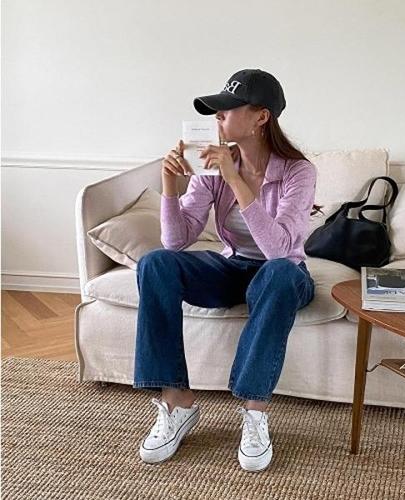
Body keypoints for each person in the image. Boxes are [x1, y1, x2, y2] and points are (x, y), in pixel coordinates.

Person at [133, 68, 318, 472]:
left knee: (280, 274)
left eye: (228, 109)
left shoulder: (298, 172)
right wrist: (170, 185)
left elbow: (278, 250)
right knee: (155, 263)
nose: (218, 117)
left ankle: (254, 411)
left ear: (261, 117)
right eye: (216, 110)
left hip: (282, 275)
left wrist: (235, 180)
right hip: (232, 267)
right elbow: (176, 242)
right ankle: (176, 402)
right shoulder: (212, 168)